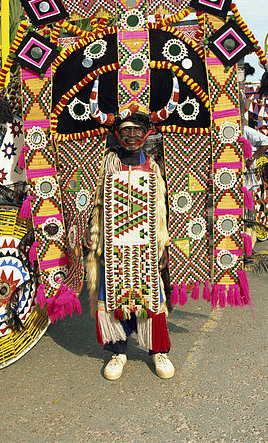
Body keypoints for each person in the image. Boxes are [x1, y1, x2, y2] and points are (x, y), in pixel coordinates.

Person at [84, 111, 174, 380]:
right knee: (112, 297)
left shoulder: (156, 167)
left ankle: (158, 350)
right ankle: (118, 351)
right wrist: (94, 234)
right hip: (113, 248)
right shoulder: (107, 163)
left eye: (137, 130)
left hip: (147, 247)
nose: (132, 135)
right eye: (126, 130)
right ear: (117, 133)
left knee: (151, 298)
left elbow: (164, 210)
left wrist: (164, 245)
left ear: (147, 133)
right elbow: (96, 202)